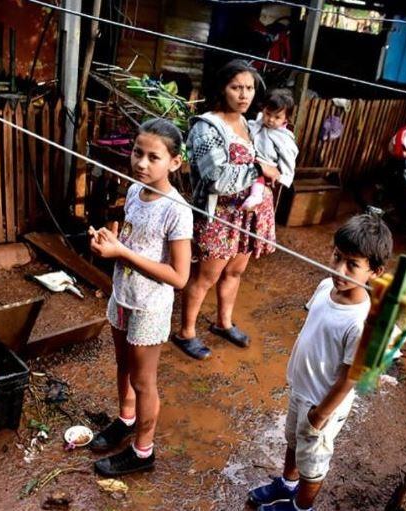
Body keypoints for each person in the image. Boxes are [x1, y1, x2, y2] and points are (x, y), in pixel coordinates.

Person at [247, 213, 394, 511]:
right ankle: (287, 484)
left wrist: (320, 415)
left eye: (352, 264)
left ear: (375, 272)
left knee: (312, 462)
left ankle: (301, 507)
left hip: (323, 405)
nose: (339, 269)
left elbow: (350, 377)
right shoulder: (326, 286)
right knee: (293, 440)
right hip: (302, 389)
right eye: (337, 256)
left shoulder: (360, 322)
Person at [88, 118, 193, 476]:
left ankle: (143, 451)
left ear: (175, 162)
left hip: (149, 307)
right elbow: (131, 241)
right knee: (123, 366)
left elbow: (179, 277)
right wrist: (109, 241)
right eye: (137, 153)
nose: (142, 164)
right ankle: (125, 418)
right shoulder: (135, 190)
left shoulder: (177, 210)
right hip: (123, 296)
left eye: (154, 157)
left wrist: (123, 254)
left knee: (143, 380)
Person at [173, 59, 279, 360]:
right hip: (219, 216)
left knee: (234, 271)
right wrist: (260, 168)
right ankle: (186, 332)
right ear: (223, 89)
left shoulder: (246, 123)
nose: (244, 95)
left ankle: (223, 322)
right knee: (205, 276)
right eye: (236, 88)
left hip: (246, 214)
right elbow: (216, 178)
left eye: (249, 88)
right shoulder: (206, 127)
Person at [242, 88, 299, 211]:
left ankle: (256, 195)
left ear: (286, 119)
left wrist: (283, 176)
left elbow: (288, 157)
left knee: (258, 172)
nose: (271, 119)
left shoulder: (284, 137)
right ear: (263, 109)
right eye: (268, 114)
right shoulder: (255, 124)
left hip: (267, 167)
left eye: (277, 117)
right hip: (251, 162)